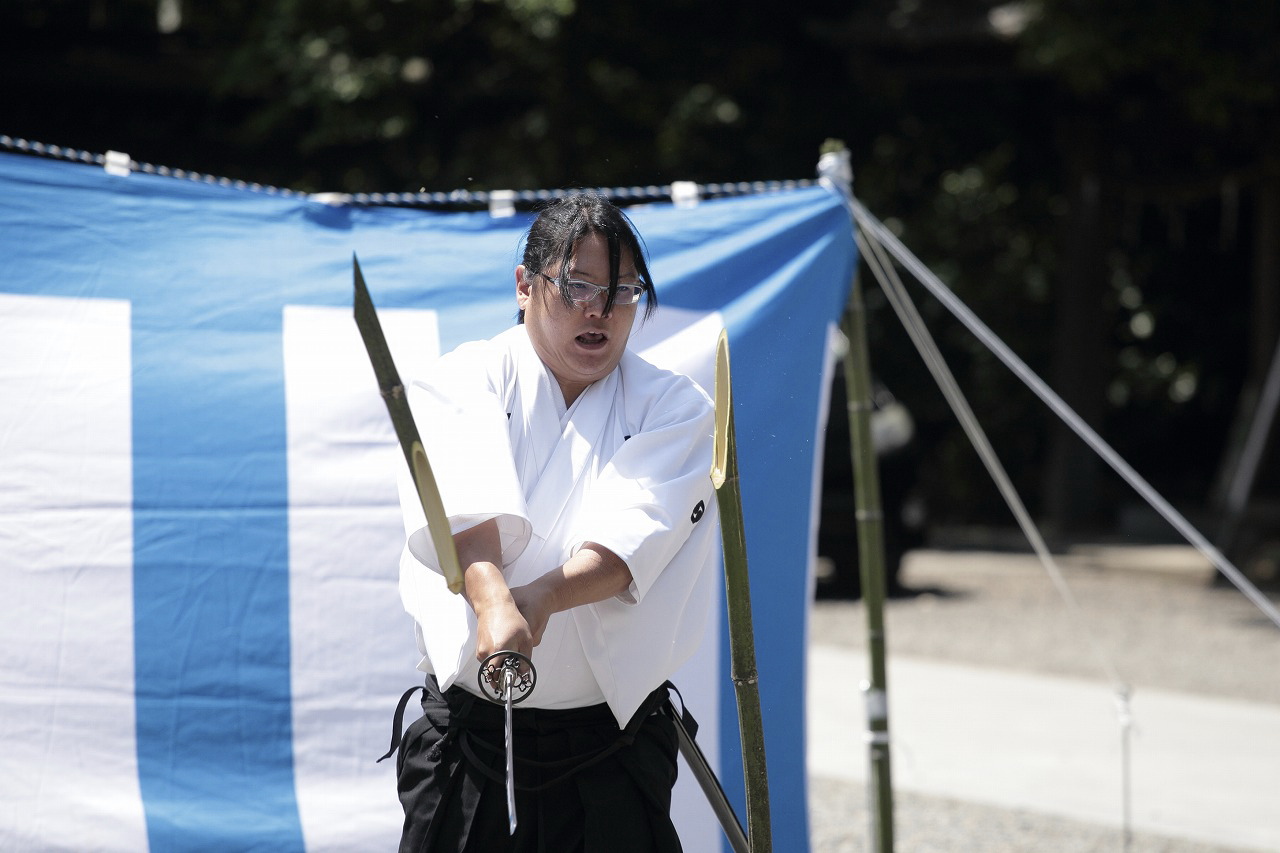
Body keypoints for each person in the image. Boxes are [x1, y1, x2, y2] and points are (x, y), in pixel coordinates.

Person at [383, 194, 719, 852]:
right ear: (525, 285)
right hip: (469, 737)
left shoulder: (674, 405)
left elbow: (634, 537)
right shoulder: (462, 379)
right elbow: (465, 510)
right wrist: (492, 600)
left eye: (621, 293)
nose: (599, 310)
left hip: (611, 746)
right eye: (578, 286)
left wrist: (538, 599)